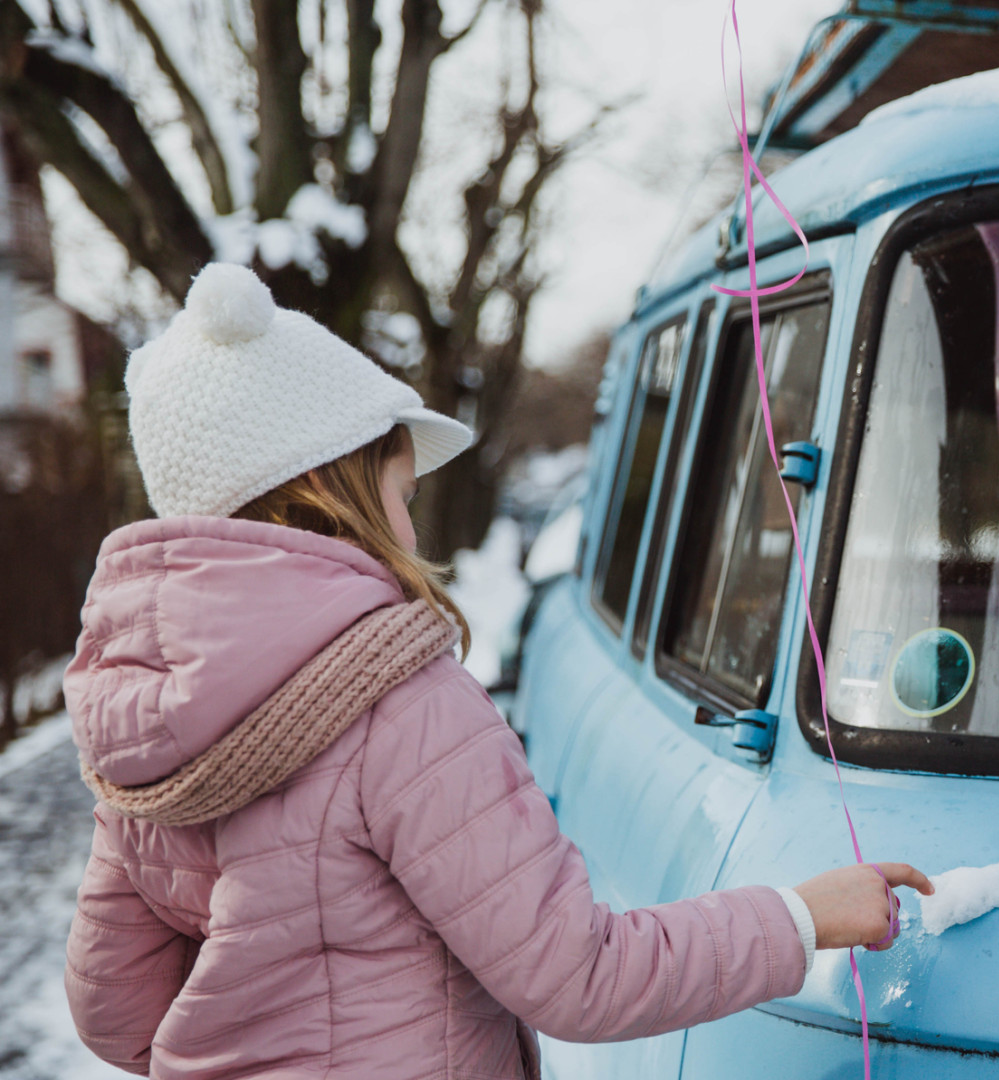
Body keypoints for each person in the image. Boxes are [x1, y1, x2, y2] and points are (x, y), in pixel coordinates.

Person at [61, 263, 931, 1078]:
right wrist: (802, 915)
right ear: (334, 497)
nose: (411, 525)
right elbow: (579, 974)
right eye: (401, 494)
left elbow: (112, 1012)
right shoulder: (399, 704)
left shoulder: (137, 726)